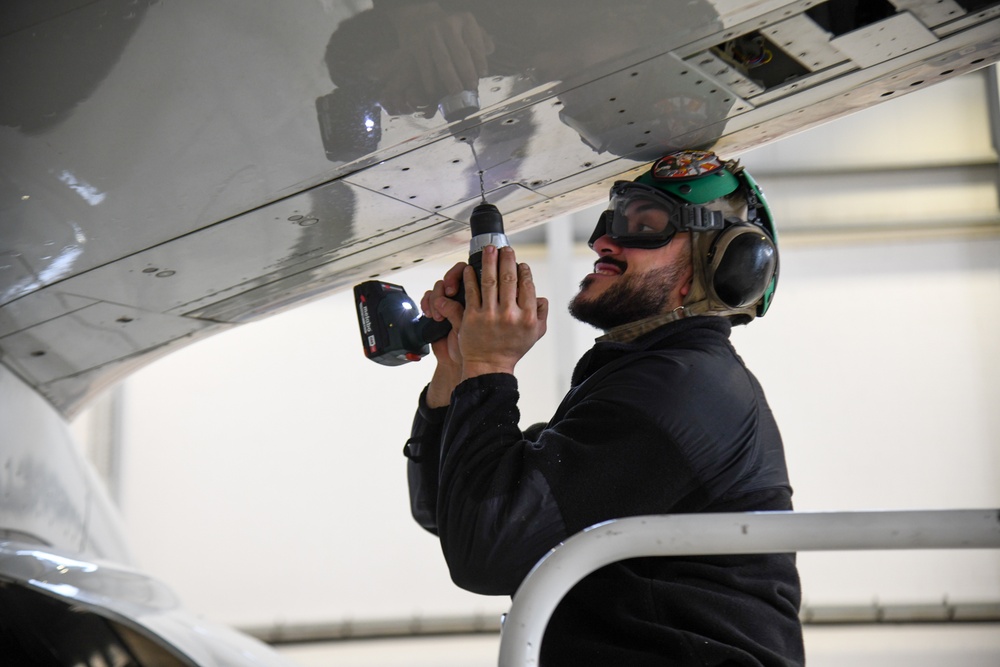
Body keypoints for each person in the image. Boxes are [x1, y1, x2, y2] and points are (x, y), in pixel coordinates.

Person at [404, 149, 804, 666]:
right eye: (610, 221)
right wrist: (457, 370)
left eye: (646, 224)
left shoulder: (684, 390)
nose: (602, 241)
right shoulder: (647, 382)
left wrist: (489, 362)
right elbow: (449, 510)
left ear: (724, 264)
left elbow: (487, 549)